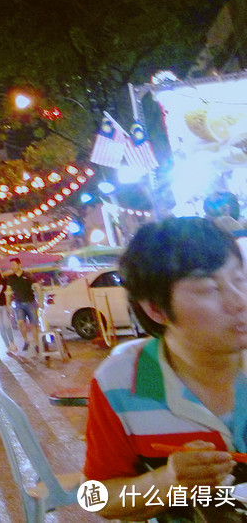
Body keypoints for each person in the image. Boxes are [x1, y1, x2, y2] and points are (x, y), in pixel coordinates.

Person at [83, 217, 247, 520]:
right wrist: (166, 481)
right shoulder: (119, 383)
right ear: (156, 309)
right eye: (209, 289)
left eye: (240, 279)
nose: (240, 301)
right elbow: (97, 498)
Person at [6, 257, 39, 353]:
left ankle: (36, 343)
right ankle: (26, 341)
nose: (12, 267)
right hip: (18, 303)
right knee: (20, 323)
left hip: (30, 302)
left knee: (34, 324)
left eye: (14, 265)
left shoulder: (28, 275)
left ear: (19, 265)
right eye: (11, 265)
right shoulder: (11, 278)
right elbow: (8, 291)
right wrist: (8, 304)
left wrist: (39, 299)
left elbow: (36, 286)